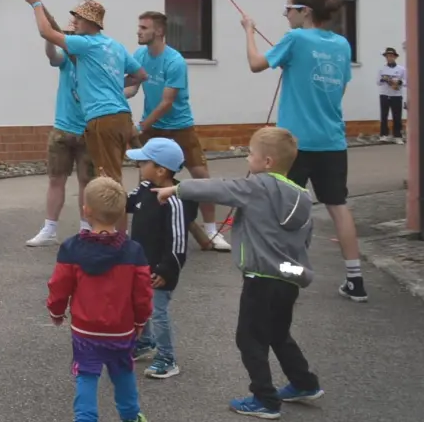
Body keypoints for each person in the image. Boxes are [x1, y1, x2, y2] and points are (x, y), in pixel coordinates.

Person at [157, 128, 323, 418]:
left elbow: (220, 188)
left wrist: (176, 189)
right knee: (278, 333)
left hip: (260, 279)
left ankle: (265, 400)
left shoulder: (258, 186)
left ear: (267, 161)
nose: (247, 157)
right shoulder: (302, 196)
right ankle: (303, 382)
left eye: (250, 153)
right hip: (288, 277)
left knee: (249, 338)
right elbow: (304, 241)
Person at [242, 0, 365, 301]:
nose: (286, 14)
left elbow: (256, 64)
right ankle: (355, 280)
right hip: (332, 140)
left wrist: (249, 31)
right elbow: (340, 89)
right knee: (338, 207)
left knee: (285, 209)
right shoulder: (342, 44)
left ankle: (287, 274)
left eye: (288, 9)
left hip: (293, 143)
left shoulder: (295, 40)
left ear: (304, 11)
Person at [45, 176, 152, 422]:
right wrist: (140, 322)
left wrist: (57, 312)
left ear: (86, 210)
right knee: (123, 373)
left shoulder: (72, 249)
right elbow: (143, 294)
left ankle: (85, 419)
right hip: (121, 329)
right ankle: (131, 416)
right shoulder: (133, 251)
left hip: (85, 329)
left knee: (86, 376)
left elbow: (59, 286)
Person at [130, 11, 228, 251]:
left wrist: (141, 126)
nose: (139, 31)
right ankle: (149, 227)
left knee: (202, 177)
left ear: (160, 31)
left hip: (179, 127)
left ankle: (212, 231)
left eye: (144, 27)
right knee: (146, 179)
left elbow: (166, 103)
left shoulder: (174, 61)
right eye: (139, 27)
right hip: (152, 128)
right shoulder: (139, 55)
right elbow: (132, 88)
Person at [21, 0, 141, 187]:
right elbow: (141, 75)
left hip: (102, 118)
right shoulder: (114, 46)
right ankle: (105, 214)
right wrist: (113, 83)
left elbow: (46, 31)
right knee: (112, 174)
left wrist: (36, 4)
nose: (74, 23)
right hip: (122, 116)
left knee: (107, 180)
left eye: (79, 19)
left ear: (91, 22)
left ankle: (111, 214)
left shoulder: (86, 44)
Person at [125, 138, 196, 380]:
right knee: (138, 304)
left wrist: (166, 270)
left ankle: (167, 358)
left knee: (158, 311)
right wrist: (107, 192)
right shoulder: (144, 187)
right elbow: (127, 203)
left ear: (161, 170)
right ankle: (145, 342)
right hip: (139, 264)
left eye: (143, 161)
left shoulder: (173, 201)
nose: (139, 165)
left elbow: (178, 241)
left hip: (160, 270)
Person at [28, 14, 96, 247]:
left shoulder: (93, 55)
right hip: (63, 127)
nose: (74, 25)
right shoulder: (68, 55)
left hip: (89, 129)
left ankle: (86, 229)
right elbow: (52, 57)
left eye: (78, 22)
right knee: (56, 179)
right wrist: (55, 39)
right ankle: (50, 229)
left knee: (87, 181)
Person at [378, 47, 406, 142]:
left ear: (395, 57)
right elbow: (378, 82)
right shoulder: (382, 68)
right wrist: (384, 79)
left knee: (397, 116)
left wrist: (398, 82)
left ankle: (397, 136)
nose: (389, 58)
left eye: (391, 56)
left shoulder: (401, 69)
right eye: (387, 56)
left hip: (396, 95)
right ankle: (383, 135)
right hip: (384, 94)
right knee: (384, 115)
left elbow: (406, 81)